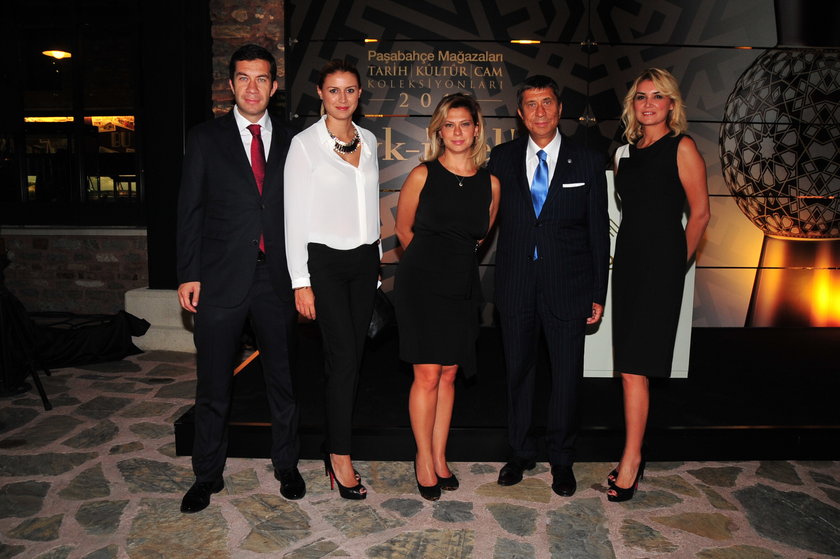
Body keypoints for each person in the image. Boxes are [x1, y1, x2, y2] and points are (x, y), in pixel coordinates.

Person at [176, 44, 304, 513]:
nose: (253, 87)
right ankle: (206, 475)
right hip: (219, 279)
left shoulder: (294, 141)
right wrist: (189, 273)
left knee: (283, 382)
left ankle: (286, 465)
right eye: (244, 78)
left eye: (262, 78)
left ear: (274, 86)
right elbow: (190, 210)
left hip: (276, 278)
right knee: (213, 385)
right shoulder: (204, 138)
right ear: (230, 85)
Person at [488, 75, 609, 497]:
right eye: (531, 104)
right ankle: (520, 452)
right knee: (517, 373)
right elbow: (484, 220)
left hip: (569, 288)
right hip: (516, 285)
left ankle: (562, 458)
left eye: (546, 102)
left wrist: (598, 293)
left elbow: (599, 234)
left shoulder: (588, 161)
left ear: (559, 108)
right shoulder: (501, 159)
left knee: (566, 378)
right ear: (520, 114)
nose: (539, 111)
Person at [608, 68, 710, 502]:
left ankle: (631, 459)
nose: (648, 104)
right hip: (628, 267)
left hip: (661, 270)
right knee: (629, 369)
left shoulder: (682, 147)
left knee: (638, 368)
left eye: (657, 96)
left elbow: (700, 214)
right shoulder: (623, 154)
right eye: (640, 96)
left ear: (671, 104)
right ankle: (633, 454)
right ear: (632, 105)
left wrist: (673, 266)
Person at [394, 93, 500, 501]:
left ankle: (440, 456)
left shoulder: (491, 184)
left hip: (462, 286)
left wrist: (454, 267)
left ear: (476, 129)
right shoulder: (422, 175)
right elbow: (403, 230)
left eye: (464, 124)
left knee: (451, 373)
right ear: (439, 130)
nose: (457, 132)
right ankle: (423, 459)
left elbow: (479, 237)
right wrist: (429, 267)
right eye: (449, 124)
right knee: (427, 374)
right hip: (421, 285)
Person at [284, 59, 380, 500]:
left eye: (350, 90)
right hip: (323, 264)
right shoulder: (304, 145)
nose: (343, 98)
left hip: (363, 263)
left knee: (350, 360)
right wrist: (300, 281)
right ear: (320, 94)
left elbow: (370, 205)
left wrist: (375, 263)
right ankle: (339, 457)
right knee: (343, 360)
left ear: (360, 94)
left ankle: (333, 441)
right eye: (334, 90)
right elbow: (293, 218)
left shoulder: (370, 141)